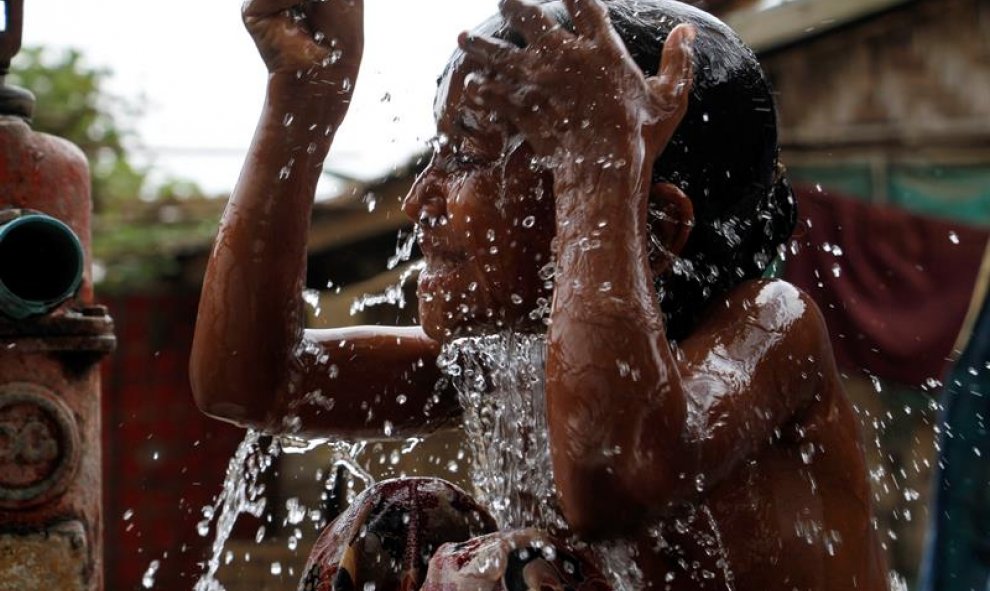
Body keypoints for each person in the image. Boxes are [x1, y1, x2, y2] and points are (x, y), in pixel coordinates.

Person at [190, 0, 889, 589]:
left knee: (513, 567)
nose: (418, 201)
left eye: (465, 155)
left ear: (655, 229)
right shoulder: (508, 355)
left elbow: (616, 477)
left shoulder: (773, 324)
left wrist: (599, 163)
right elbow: (253, 379)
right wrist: (303, 102)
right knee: (397, 525)